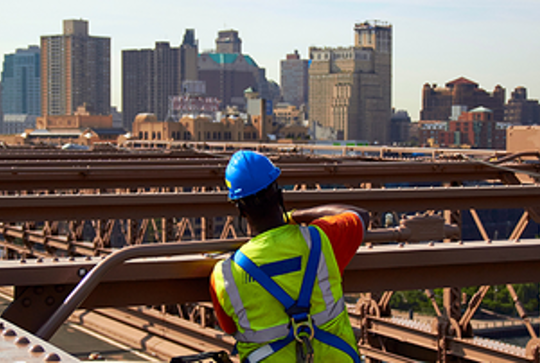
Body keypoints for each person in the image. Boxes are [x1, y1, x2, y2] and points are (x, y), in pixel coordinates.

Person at [210, 150, 369, 362]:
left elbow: (228, 327)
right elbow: (360, 216)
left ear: (240, 209)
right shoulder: (320, 240)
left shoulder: (225, 275)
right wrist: (293, 216)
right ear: (278, 194)